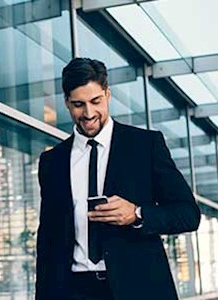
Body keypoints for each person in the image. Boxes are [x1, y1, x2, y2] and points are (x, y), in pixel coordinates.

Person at [35, 58, 201, 300]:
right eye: (79, 104)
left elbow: (189, 214)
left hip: (137, 288)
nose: (89, 113)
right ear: (67, 103)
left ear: (108, 94)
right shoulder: (52, 162)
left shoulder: (145, 146)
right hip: (73, 290)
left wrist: (137, 214)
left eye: (95, 101)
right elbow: (47, 240)